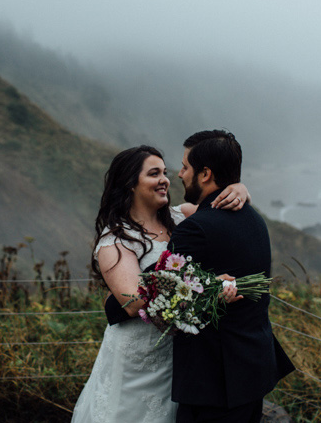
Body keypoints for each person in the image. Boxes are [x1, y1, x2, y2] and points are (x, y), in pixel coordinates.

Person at [71, 145, 249, 423]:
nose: (165, 179)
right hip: (135, 360)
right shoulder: (115, 240)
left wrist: (239, 189)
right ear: (130, 184)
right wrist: (208, 286)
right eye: (154, 173)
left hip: (175, 355)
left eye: (165, 172)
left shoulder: (182, 217)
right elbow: (134, 303)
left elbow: (218, 206)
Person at [167, 130, 294, 422]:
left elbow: (167, 293)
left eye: (186, 167)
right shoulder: (255, 220)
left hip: (212, 382)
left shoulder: (195, 228)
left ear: (205, 174)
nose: (179, 174)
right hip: (252, 371)